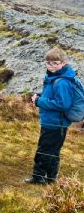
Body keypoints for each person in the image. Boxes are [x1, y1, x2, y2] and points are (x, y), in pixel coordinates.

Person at [25, 47, 76, 184]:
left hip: (55, 123)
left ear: (63, 63)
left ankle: (38, 178)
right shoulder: (54, 77)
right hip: (51, 122)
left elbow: (63, 104)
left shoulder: (62, 82)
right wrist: (40, 96)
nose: (51, 66)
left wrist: (39, 101)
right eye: (48, 63)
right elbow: (52, 96)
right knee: (52, 151)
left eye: (55, 63)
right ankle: (51, 178)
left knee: (44, 150)